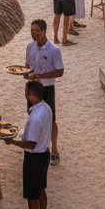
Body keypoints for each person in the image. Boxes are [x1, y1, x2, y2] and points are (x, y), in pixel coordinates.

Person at [2, 79, 53, 209]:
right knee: (41, 190)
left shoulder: (34, 118)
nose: (25, 94)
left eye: (26, 92)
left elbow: (31, 144)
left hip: (34, 158)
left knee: (32, 196)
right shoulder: (46, 108)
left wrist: (12, 142)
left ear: (31, 95)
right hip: (45, 154)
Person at [25, 19, 63, 165]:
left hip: (47, 88)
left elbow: (60, 72)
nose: (33, 33)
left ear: (44, 31)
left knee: (51, 119)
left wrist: (40, 76)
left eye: (36, 30)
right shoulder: (30, 47)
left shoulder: (54, 50)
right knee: (32, 115)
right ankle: (36, 146)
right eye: (32, 31)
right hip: (33, 87)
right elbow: (27, 65)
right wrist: (25, 73)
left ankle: (54, 149)